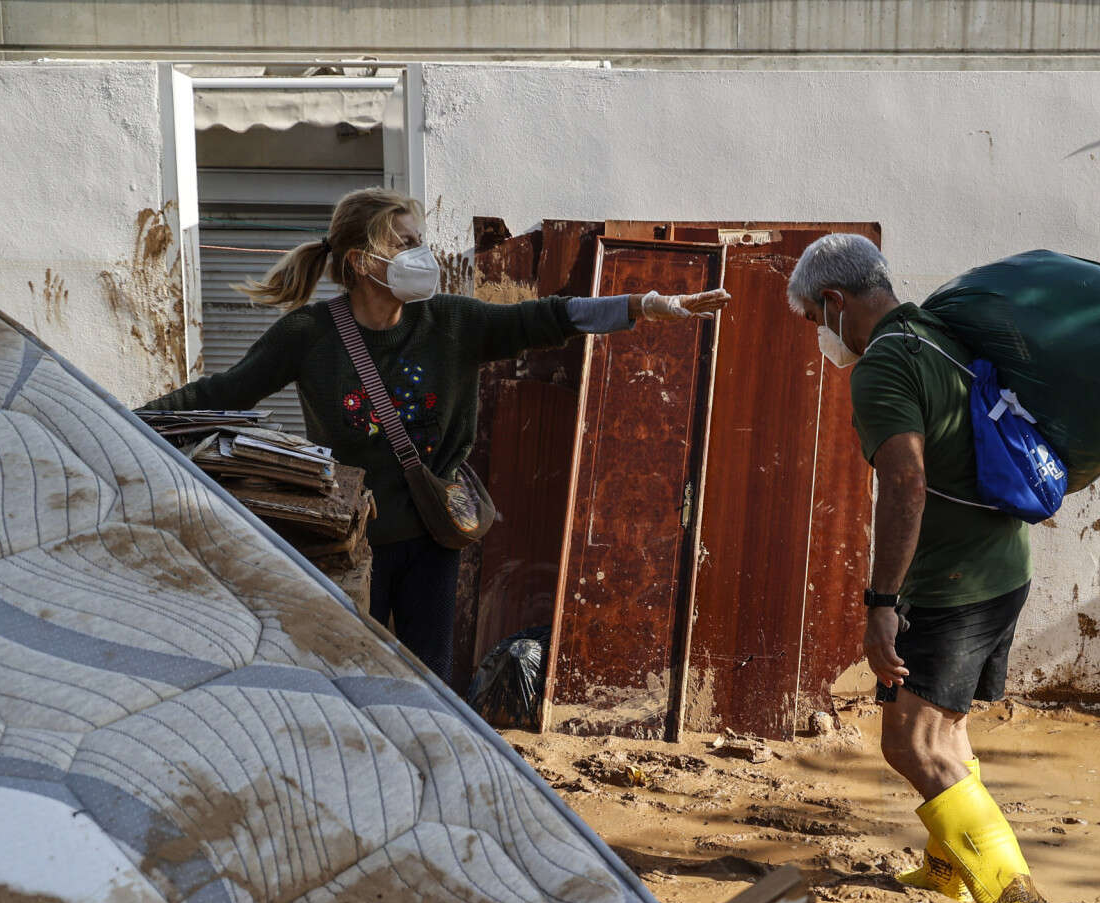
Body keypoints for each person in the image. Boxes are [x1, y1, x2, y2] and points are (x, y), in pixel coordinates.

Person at [143, 188, 728, 681]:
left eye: (419, 240)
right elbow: (225, 393)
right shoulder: (310, 334)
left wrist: (649, 305)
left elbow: (548, 318)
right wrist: (133, 421)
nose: (420, 254)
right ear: (359, 260)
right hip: (349, 542)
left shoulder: (451, 322)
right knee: (345, 677)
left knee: (430, 682)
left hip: (433, 537)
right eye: (404, 243)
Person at [787, 234, 1063, 903]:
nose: (820, 333)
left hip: (952, 584)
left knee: (910, 743)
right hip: (1003, 566)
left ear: (836, 302)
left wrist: (882, 603)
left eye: (815, 316)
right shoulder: (934, 334)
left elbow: (904, 483)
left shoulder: (883, 363)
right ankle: (949, 866)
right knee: (949, 729)